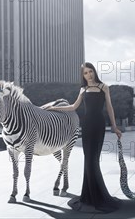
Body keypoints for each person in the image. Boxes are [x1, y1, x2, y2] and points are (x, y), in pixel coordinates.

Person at [46, 62, 123, 213]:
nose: (89, 75)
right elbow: (73, 106)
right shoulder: (83, 89)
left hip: (99, 125)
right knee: (88, 160)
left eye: (91, 71)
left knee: (93, 161)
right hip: (86, 125)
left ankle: (98, 197)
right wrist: (54, 108)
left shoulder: (103, 87)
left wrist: (114, 126)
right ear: (83, 75)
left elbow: (109, 107)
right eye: (86, 73)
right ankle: (89, 196)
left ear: (94, 72)